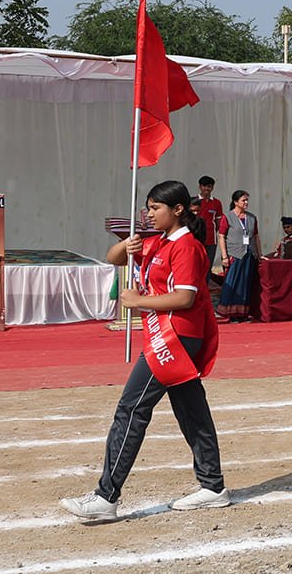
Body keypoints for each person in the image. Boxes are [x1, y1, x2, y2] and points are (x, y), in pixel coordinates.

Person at [61, 180, 227, 521]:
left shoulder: (187, 247)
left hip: (176, 338)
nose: (149, 214)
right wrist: (127, 244)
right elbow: (113, 258)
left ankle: (106, 496)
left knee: (131, 409)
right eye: (148, 208)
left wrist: (139, 301)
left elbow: (185, 297)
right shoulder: (158, 241)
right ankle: (213, 486)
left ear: (177, 209)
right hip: (170, 337)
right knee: (191, 411)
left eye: (155, 208)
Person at [217, 189, 260, 321]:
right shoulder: (227, 217)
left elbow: (256, 236)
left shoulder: (251, 218)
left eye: (247, 200)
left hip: (249, 255)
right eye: (243, 200)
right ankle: (230, 313)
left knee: (245, 284)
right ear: (236, 202)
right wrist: (224, 256)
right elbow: (221, 236)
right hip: (234, 255)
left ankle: (243, 313)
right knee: (233, 283)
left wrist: (259, 253)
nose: (246, 202)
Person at [195, 175, 223, 276]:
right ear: (200, 187)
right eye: (204, 186)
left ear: (212, 188)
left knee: (207, 265)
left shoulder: (217, 203)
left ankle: (206, 284)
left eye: (209, 186)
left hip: (211, 240)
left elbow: (219, 222)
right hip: (196, 239)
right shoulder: (193, 201)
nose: (206, 189)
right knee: (195, 265)